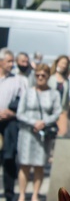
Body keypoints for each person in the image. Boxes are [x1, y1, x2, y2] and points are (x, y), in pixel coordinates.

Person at [16, 63, 61, 201]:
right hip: (27, 132)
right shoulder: (28, 92)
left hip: (43, 135)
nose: (40, 78)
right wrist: (33, 122)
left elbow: (57, 112)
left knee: (39, 165)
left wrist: (43, 122)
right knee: (24, 164)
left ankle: (35, 194)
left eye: (43, 75)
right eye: (37, 75)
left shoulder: (54, 93)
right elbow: (19, 113)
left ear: (48, 76)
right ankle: (22, 194)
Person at [0, 48, 27, 201]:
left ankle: (9, 194)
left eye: (12, 61)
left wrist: (12, 113)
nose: (12, 64)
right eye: (9, 61)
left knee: (9, 159)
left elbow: (24, 102)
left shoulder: (18, 80)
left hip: (10, 124)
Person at [47, 55, 70, 136]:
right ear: (57, 63)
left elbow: (66, 99)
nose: (64, 65)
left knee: (62, 133)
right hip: (49, 110)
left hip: (61, 111)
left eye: (66, 64)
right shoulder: (50, 78)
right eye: (62, 63)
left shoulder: (66, 81)